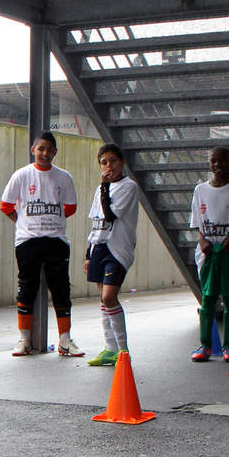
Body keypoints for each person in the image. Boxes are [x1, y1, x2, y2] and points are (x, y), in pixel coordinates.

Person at [0, 131, 83, 357]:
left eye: (49, 149)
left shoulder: (64, 177)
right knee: (27, 287)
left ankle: (65, 340)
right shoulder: (21, 175)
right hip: (28, 240)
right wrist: (23, 222)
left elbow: (71, 208)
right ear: (33, 149)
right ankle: (24, 339)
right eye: (41, 148)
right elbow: (6, 205)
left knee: (61, 289)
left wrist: (52, 221)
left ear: (55, 152)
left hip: (56, 240)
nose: (45, 153)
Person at [189, 146, 229, 363]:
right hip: (208, 253)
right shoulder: (200, 191)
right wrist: (202, 240)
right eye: (213, 161)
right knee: (207, 298)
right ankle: (205, 345)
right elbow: (196, 222)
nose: (217, 166)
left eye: (222, 161)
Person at [83, 143, 141, 367]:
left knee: (109, 297)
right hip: (100, 246)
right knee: (102, 299)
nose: (109, 166)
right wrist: (88, 253)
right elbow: (96, 223)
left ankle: (123, 349)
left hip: (118, 248)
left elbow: (111, 215)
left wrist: (105, 187)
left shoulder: (128, 187)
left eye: (112, 161)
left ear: (122, 162)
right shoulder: (100, 190)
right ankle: (110, 348)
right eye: (104, 162)